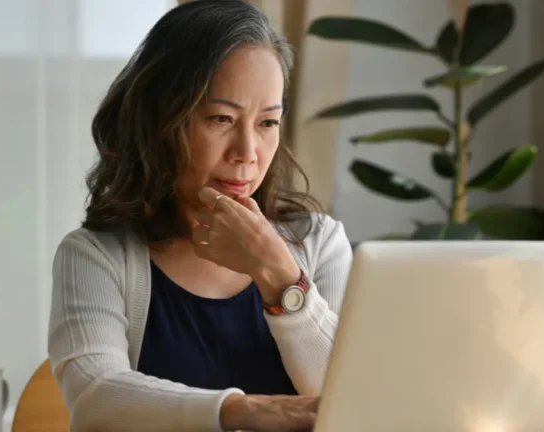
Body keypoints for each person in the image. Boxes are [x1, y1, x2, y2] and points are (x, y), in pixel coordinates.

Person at [47, 1, 352, 430]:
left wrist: (281, 277)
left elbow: (350, 402)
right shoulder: (96, 256)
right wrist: (245, 411)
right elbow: (95, 396)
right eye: (221, 118)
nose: (247, 154)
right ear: (161, 122)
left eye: (267, 123)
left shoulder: (319, 243)